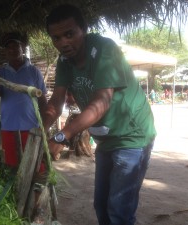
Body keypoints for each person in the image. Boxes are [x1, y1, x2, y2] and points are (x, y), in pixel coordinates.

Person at [42, 4, 156, 225]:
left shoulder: (105, 49)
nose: (63, 42)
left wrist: (61, 136)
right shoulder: (64, 61)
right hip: (105, 139)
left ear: (83, 29)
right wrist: (40, 128)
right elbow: (56, 102)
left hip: (132, 136)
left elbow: (101, 103)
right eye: (56, 38)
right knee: (101, 206)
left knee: (119, 210)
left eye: (69, 34)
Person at [0, 32, 48, 222]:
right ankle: (16, 203)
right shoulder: (1, 72)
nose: (12, 50)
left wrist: (45, 124)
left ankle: (37, 206)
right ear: (5, 51)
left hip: (31, 127)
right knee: (12, 166)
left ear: (22, 48)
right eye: (9, 47)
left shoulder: (33, 71)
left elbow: (43, 99)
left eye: (16, 46)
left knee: (35, 167)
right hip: (9, 127)